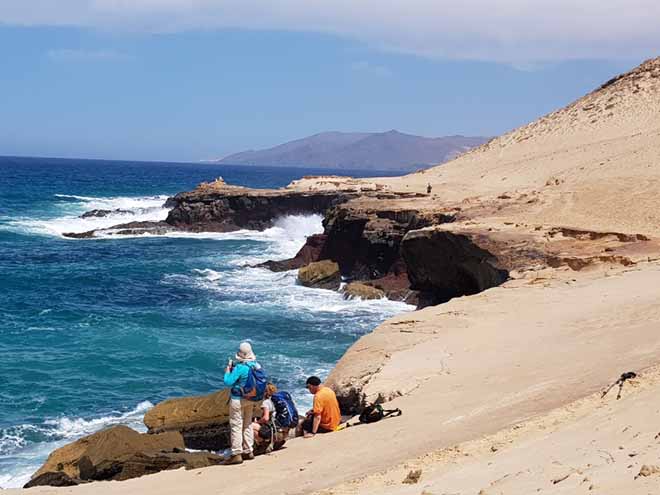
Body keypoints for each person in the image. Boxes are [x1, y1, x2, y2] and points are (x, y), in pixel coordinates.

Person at [223, 341, 263, 465]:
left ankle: (236, 453)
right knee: (248, 424)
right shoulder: (256, 366)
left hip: (238, 399)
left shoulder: (240, 368)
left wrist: (228, 370)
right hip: (250, 398)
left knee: (236, 425)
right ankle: (248, 450)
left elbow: (228, 381)